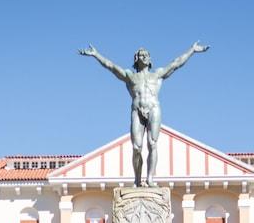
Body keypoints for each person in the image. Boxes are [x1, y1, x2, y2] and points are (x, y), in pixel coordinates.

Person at [78, 42, 209, 187]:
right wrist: (96, 55)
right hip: (137, 110)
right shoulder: (130, 76)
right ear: (136, 58)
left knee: (152, 144)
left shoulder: (157, 75)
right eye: (141, 54)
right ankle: (137, 179)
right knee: (136, 147)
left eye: (146, 55)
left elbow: (176, 64)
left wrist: (192, 50)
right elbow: (112, 67)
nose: (144, 56)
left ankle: (150, 179)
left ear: (150, 59)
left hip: (153, 108)